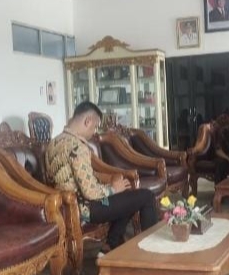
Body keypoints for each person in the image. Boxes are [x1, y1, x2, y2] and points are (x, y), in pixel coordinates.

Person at [45, 101, 158, 250]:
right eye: (95, 127)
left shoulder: (54, 142)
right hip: (89, 208)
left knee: (127, 197)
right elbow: (90, 193)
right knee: (146, 196)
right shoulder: (77, 147)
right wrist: (112, 189)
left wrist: (112, 188)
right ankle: (152, 248)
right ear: (87, 121)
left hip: (66, 206)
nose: (94, 132)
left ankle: (112, 243)